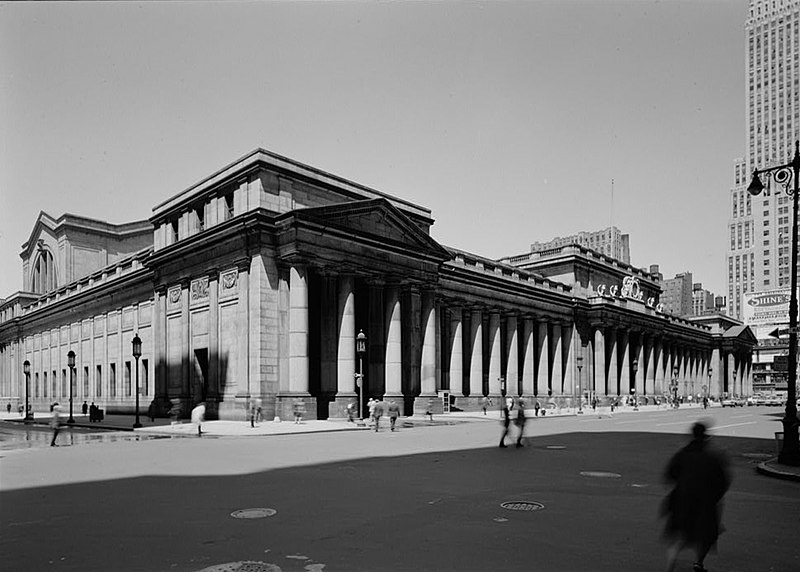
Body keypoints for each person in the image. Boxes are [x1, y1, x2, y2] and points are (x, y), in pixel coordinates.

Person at [661, 422, 730, 572]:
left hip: (682, 500)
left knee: (682, 534)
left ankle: (671, 561)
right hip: (705, 502)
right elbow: (723, 481)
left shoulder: (682, 453)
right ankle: (698, 562)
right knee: (707, 534)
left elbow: (671, 474)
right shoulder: (712, 456)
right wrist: (715, 497)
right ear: (705, 436)